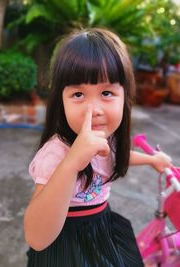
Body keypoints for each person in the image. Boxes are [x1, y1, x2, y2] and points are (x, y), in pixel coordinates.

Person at [24, 28, 172, 267]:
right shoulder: (55, 154)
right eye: (78, 94)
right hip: (66, 242)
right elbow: (37, 237)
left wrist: (151, 160)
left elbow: (114, 158)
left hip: (102, 227)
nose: (94, 110)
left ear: (125, 98)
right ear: (60, 101)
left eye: (106, 92)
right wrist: (72, 163)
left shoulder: (108, 138)